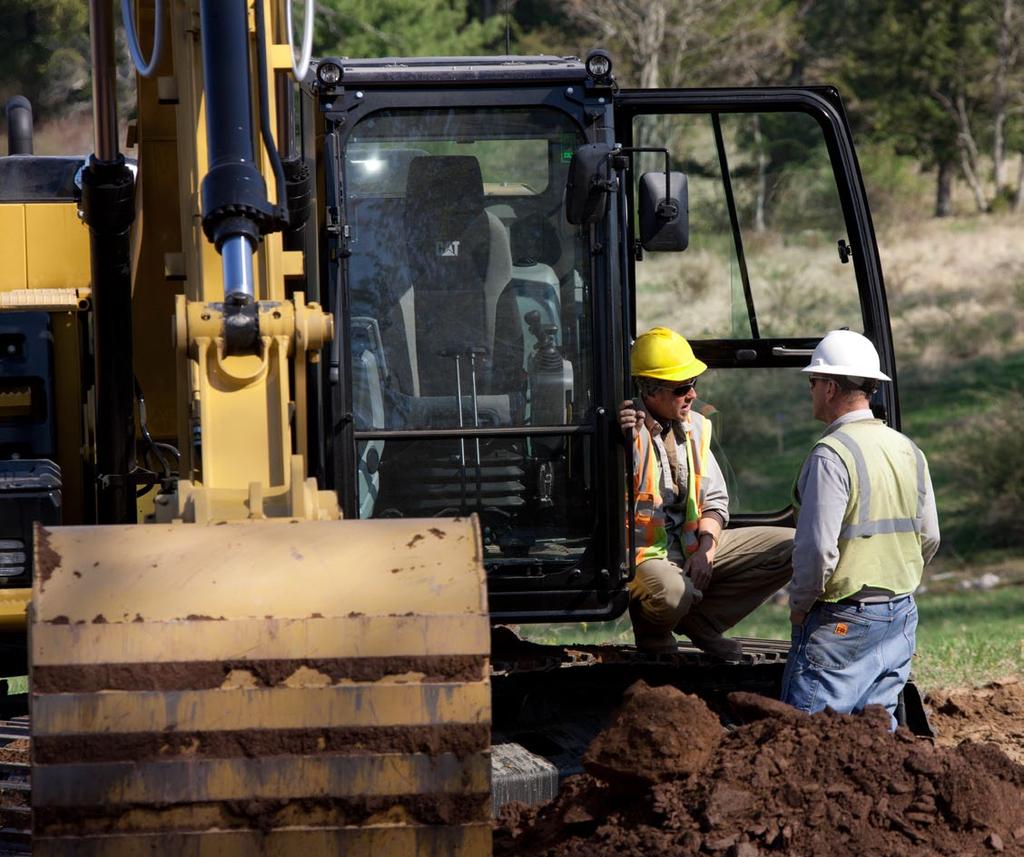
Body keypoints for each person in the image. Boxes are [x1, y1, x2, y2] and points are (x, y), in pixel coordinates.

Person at [781, 330, 940, 729]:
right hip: (900, 614)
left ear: (830, 387)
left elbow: (817, 549)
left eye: (812, 382)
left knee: (807, 739)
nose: (811, 390)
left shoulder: (831, 455)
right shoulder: (908, 449)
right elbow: (931, 536)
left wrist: (800, 605)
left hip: (843, 618)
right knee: (875, 739)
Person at [619, 327, 793, 660]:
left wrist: (707, 551)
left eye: (694, 384)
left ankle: (699, 623)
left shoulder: (696, 427)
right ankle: (655, 638)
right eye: (682, 388)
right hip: (646, 556)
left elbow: (715, 501)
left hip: (691, 546)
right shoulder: (625, 431)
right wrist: (619, 437)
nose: (692, 395)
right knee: (673, 593)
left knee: (794, 547)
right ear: (649, 390)